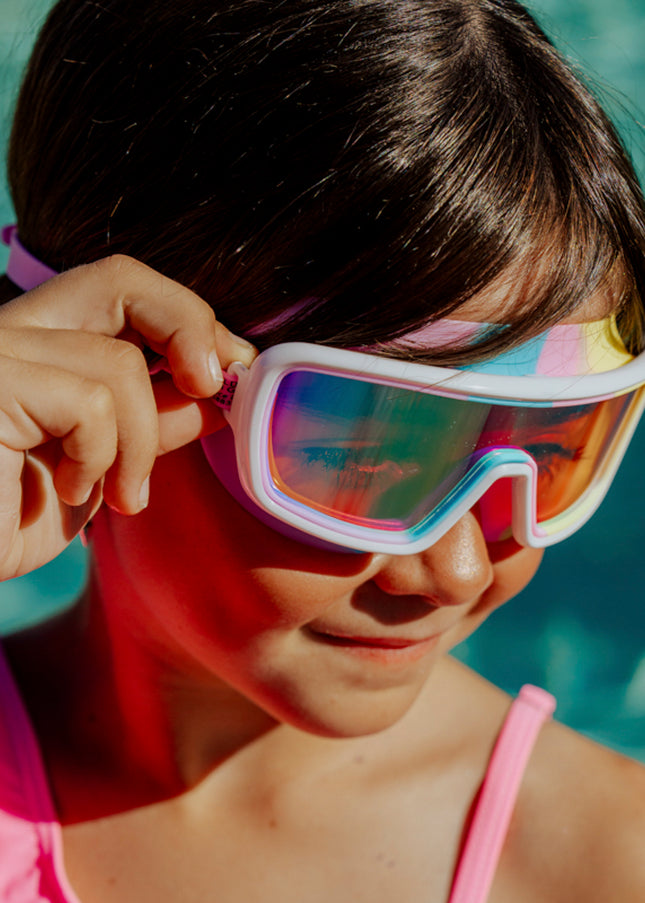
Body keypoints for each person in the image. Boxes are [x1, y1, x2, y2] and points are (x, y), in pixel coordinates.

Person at [0, 1, 644, 901]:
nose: (454, 571)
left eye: (551, 446)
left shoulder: (604, 864)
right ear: (117, 362)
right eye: (363, 449)